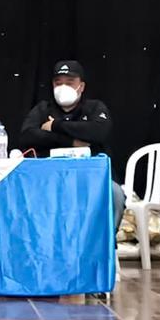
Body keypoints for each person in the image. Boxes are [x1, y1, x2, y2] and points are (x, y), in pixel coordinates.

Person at [18, 60, 125, 229]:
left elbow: (99, 131)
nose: (63, 87)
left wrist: (55, 126)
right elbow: (27, 135)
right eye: (58, 83)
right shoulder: (43, 109)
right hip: (50, 178)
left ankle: (107, 246)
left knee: (115, 194)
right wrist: (70, 141)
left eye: (69, 83)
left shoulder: (94, 107)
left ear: (81, 86)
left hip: (91, 177)